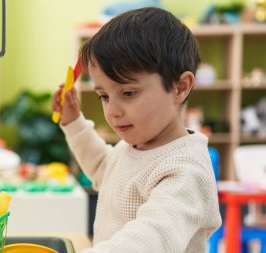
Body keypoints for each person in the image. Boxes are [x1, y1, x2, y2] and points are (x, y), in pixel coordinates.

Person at [52, 7, 221, 253]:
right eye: (104, 96)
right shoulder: (135, 146)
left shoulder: (186, 169)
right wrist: (73, 121)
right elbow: (102, 167)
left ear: (180, 87)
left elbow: (150, 238)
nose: (112, 111)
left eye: (128, 93)